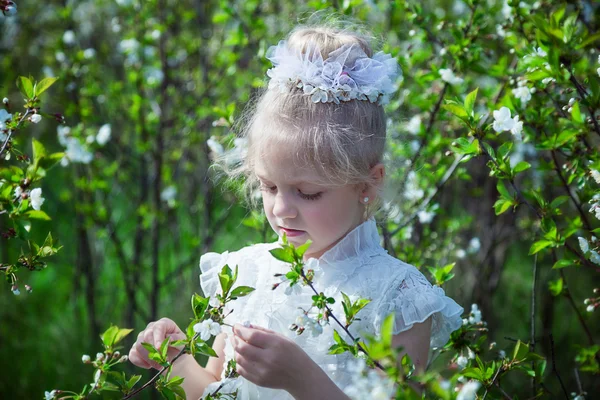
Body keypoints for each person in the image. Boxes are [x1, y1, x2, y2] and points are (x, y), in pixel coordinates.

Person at [128, 22, 464, 400]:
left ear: (366, 186)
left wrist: (302, 380)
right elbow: (217, 391)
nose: (282, 210)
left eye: (308, 193)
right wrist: (175, 361)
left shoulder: (398, 297)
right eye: (269, 187)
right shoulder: (247, 274)